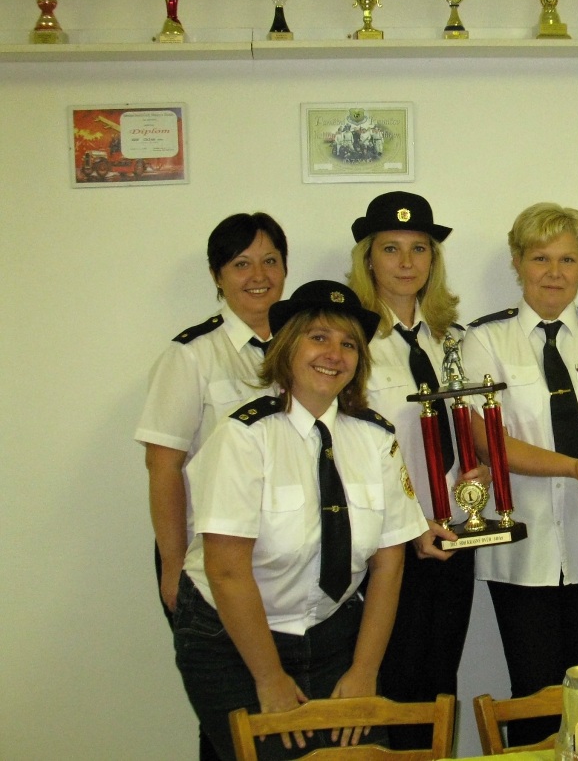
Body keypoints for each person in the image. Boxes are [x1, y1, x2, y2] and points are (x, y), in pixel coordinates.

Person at [173, 281, 427, 761]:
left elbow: (389, 564)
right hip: (233, 639)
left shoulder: (376, 438)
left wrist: (365, 672)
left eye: (348, 344)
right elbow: (226, 572)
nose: (334, 354)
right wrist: (268, 678)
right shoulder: (243, 437)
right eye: (319, 338)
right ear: (287, 347)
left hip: (332, 634)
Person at [461, 202, 578, 745]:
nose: (554, 272)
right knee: (531, 693)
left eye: (567, 259)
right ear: (518, 262)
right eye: (540, 258)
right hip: (522, 545)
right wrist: (576, 468)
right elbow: (485, 438)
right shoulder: (485, 341)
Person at [135, 211, 288, 761]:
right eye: (241, 263)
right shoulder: (192, 355)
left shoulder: (308, 347)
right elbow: (163, 467)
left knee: (280, 715)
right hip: (211, 560)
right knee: (228, 718)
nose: (258, 275)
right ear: (216, 275)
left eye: (270, 260)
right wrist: (174, 567)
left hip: (286, 561)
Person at [346, 191, 481, 748]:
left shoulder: (452, 340)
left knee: (440, 685)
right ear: (368, 259)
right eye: (391, 248)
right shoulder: (352, 342)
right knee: (393, 689)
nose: (406, 262)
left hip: (453, 537)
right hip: (389, 545)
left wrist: (479, 474)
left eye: (419, 248)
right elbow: (353, 452)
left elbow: (470, 428)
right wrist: (410, 523)